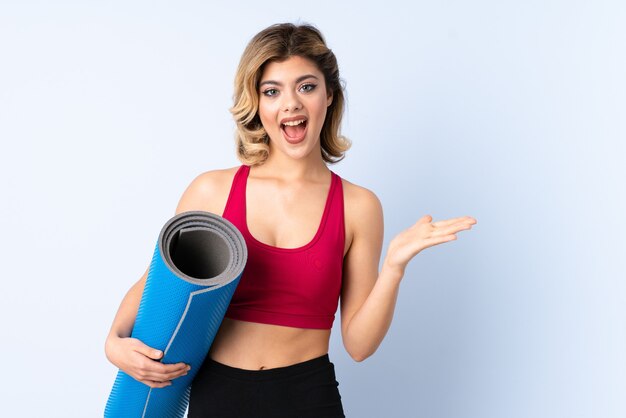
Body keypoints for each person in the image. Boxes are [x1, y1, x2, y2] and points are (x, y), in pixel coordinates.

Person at [105, 22, 477, 417]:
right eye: (272, 91)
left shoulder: (358, 206)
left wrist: (394, 267)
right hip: (217, 396)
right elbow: (156, 287)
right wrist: (113, 343)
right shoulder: (211, 192)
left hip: (307, 397)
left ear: (329, 95)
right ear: (257, 103)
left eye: (306, 86)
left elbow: (359, 345)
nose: (291, 104)